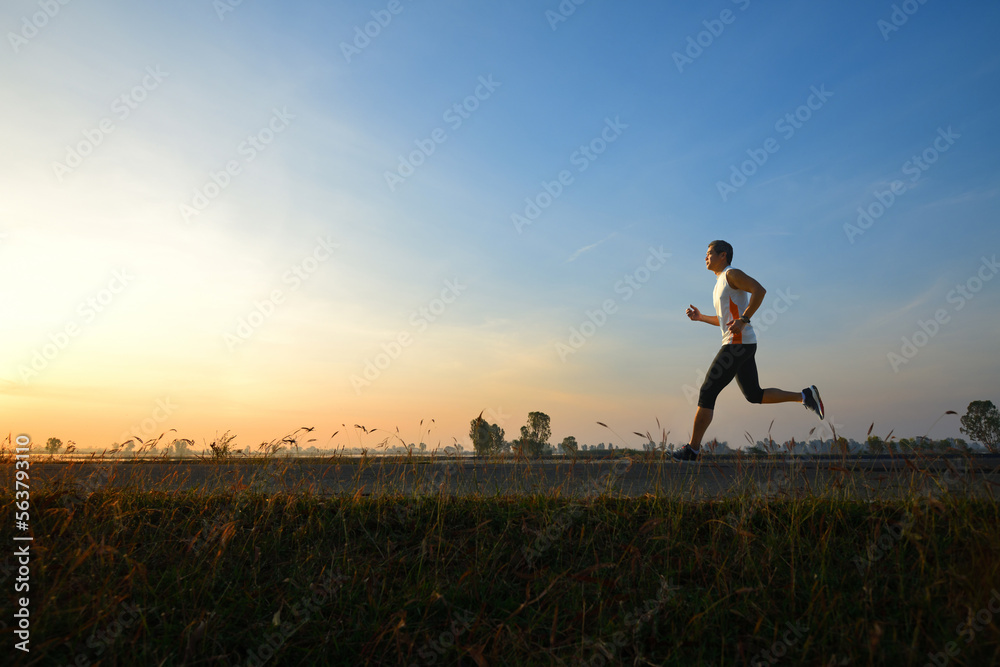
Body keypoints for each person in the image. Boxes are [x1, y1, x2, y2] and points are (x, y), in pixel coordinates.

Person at [673, 240, 823, 461]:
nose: (705, 258)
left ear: (723, 255)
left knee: (707, 391)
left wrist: (744, 320)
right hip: (741, 343)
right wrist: (701, 317)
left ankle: (692, 449)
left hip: (737, 343)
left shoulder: (731, 274)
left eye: (709, 253)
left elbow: (759, 291)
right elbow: (724, 319)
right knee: (754, 394)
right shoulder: (718, 284)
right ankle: (805, 396)